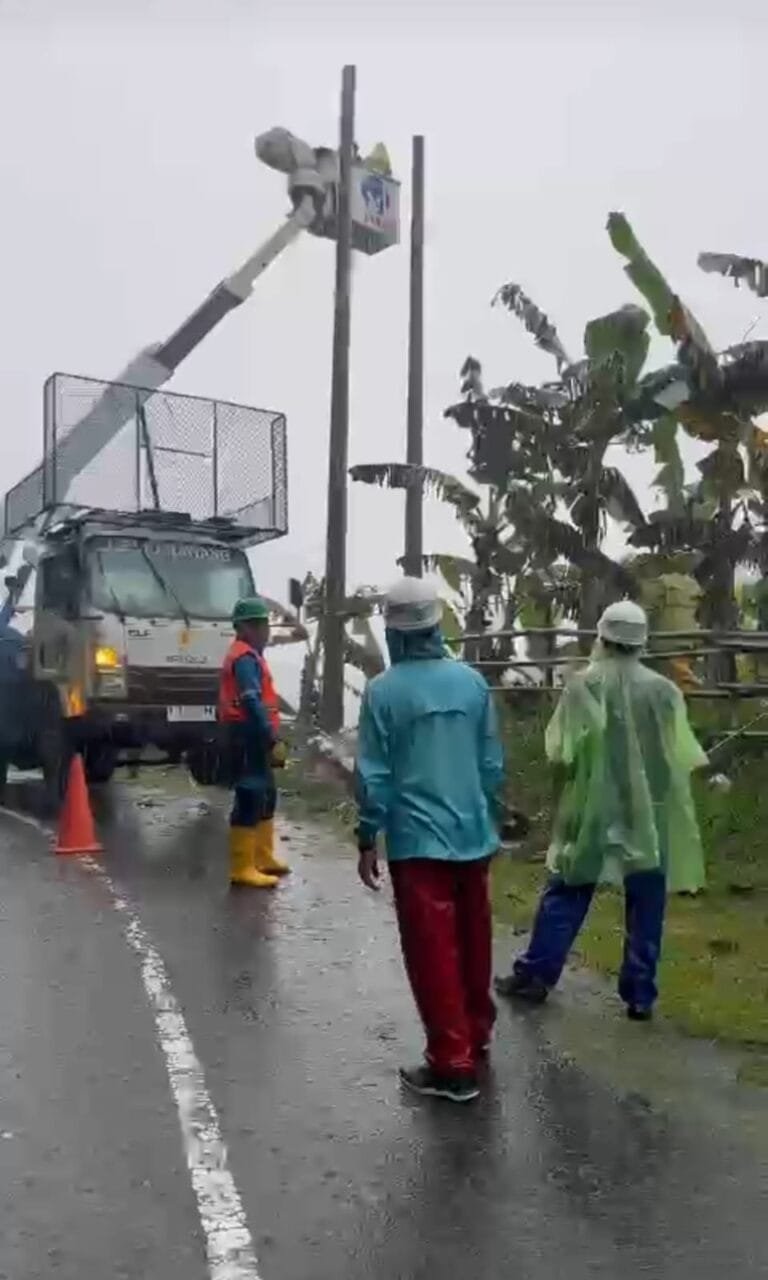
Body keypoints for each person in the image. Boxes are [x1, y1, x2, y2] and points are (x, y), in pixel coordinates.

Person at [495, 600, 707, 1021]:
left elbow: (560, 751)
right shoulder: (664, 691)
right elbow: (682, 754)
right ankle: (640, 995)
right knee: (646, 899)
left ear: (603, 637)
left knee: (568, 889)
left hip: (591, 807)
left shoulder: (581, 685)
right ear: (641, 643)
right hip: (650, 810)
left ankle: (536, 976)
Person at [354, 577, 505, 1104]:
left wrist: (366, 833)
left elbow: (375, 775)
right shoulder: (472, 684)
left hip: (418, 841)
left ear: (393, 631)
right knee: (474, 938)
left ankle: (451, 1064)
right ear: (437, 624)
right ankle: (475, 1034)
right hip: (473, 834)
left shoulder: (383, 692)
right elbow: (490, 765)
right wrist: (487, 813)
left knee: (432, 950)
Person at [217, 596, 290, 888]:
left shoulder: (251, 655)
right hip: (245, 731)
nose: (265, 631)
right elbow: (250, 699)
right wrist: (268, 734)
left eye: (265, 625)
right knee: (250, 793)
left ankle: (262, 856)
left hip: (253, 731)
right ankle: (242, 866)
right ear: (243, 627)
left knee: (266, 793)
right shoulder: (244, 658)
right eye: (258, 625)